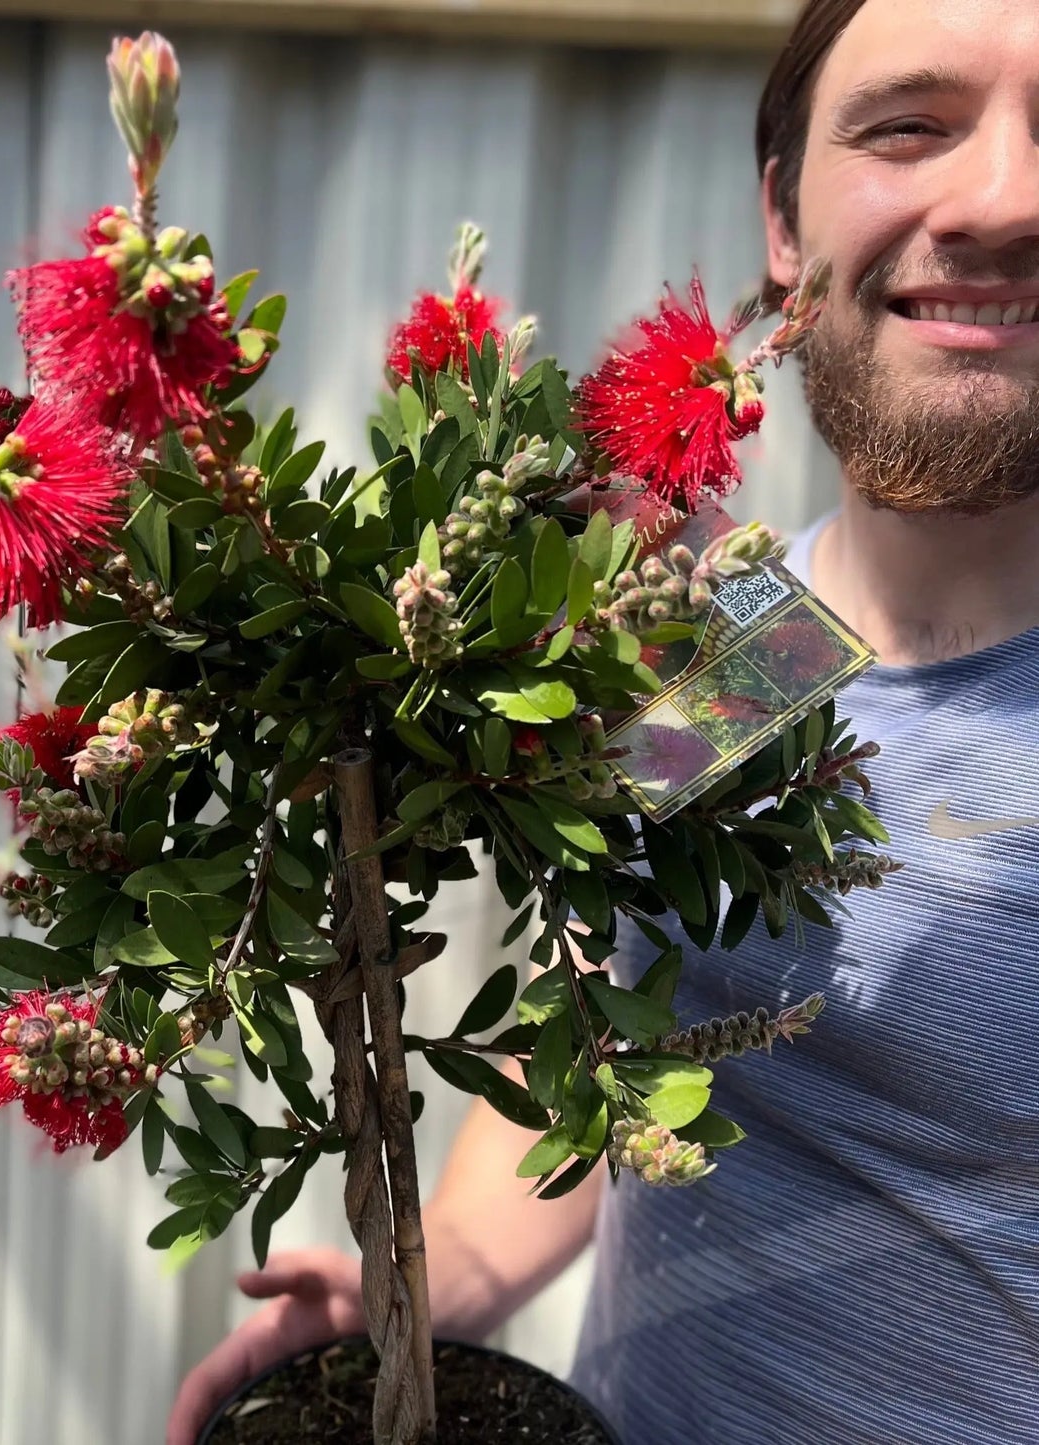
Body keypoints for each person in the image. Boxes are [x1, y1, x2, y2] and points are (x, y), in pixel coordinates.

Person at [167, 0, 1039, 1437]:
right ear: (781, 216)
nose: (1001, 198)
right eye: (908, 126)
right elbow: (607, 997)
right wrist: (437, 1279)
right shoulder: (754, 637)